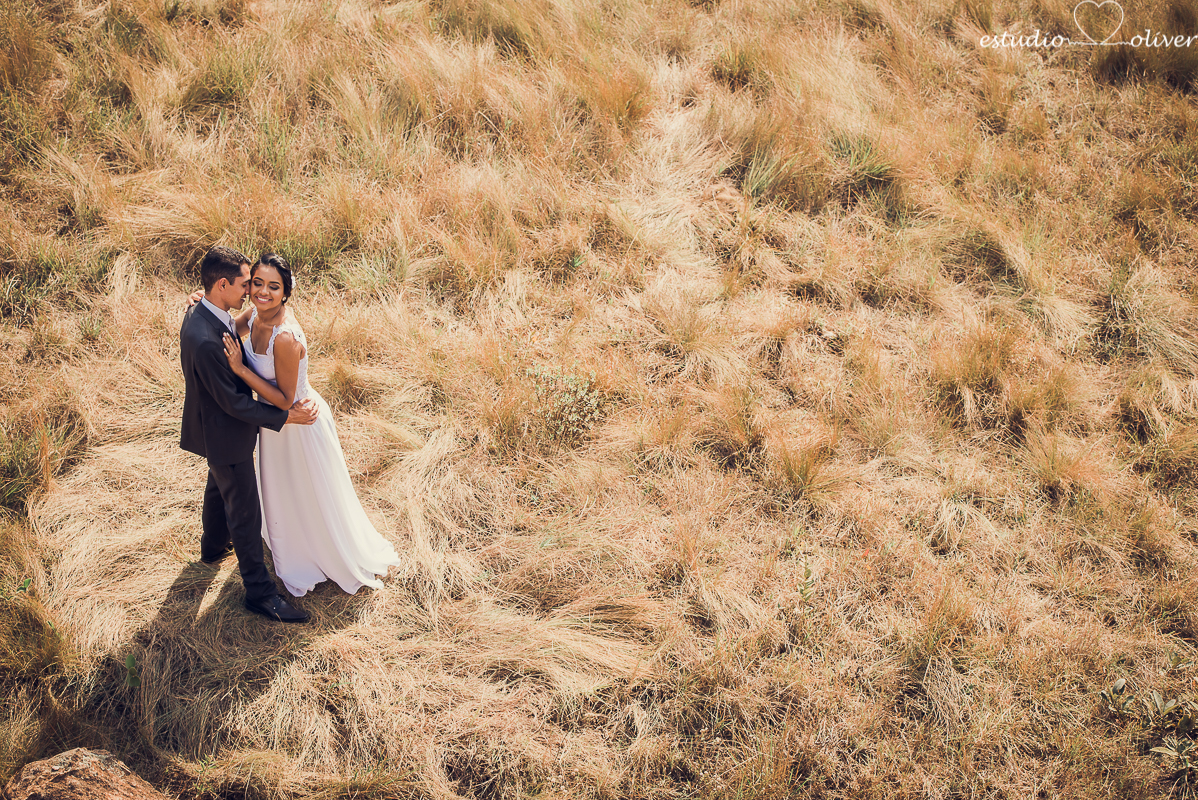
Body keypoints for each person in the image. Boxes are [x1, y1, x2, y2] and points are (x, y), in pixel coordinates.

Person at [212, 252, 401, 597]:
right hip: (275, 427)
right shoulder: (253, 314)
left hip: (298, 423)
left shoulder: (285, 339)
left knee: (310, 491)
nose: (262, 292)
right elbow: (226, 327)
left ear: (285, 293)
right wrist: (201, 302)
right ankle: (292, 539)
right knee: (284, 488)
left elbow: (285, 400)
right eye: (257, 283)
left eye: (273, 287)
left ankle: (318, 551)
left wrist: (240, 370)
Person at [180, 245, 318, 624]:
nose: (250, 293)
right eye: (246, 284)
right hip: (226, 432)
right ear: (222, 285)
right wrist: (286, 418)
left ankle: (211, 549)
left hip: (215, 432)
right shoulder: (207, 338)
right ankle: (261, 594)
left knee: (217, 484)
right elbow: (235, 405)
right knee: (245, 513)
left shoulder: (206, 310)